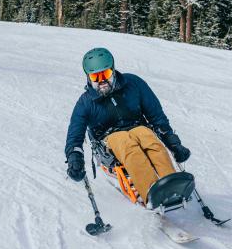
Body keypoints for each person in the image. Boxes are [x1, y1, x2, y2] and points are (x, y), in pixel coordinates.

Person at [64, 48, 191, 205]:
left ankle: (171, 185)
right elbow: (74, 135)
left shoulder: (133, 83)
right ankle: (151, 193)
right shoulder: (85, 102)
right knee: (127, 143)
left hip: (138, 127)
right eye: (96, 77)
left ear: (113, 71)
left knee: (149, 138)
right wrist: (74, 158)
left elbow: (156, 115)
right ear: (88, 78)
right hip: (108, 139)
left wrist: (173, 143)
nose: (102, 81)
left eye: (106, 74)